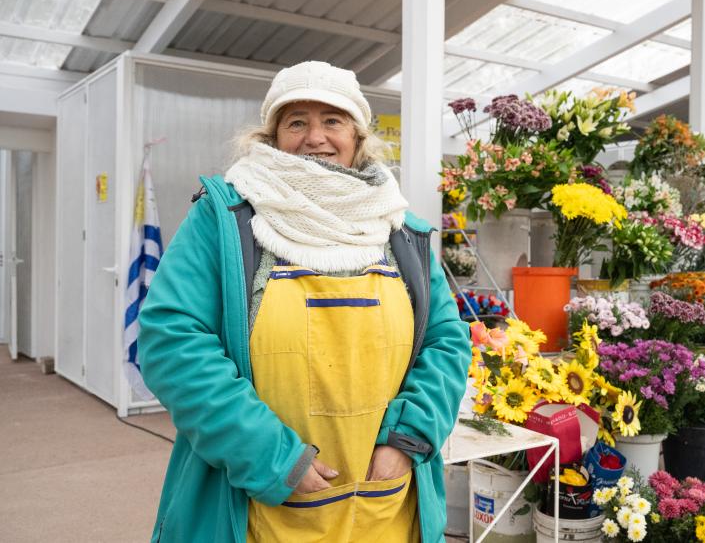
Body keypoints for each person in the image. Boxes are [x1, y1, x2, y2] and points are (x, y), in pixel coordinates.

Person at [138, 60, 471, 543]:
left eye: (332, 120)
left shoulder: (402, 231)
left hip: (384, 506)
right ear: (272, 138)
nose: (315, 136)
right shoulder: (225, 220)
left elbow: (446, 343)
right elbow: (171, 341)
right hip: (257, 501)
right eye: (297, 121)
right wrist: (274, 458)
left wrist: (408, 439)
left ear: (358, 138)